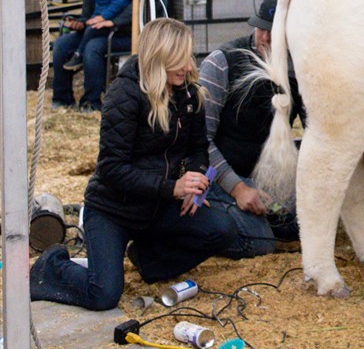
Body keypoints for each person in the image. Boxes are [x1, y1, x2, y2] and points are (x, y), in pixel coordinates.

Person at [31, 18, 237, 311]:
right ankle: (50, 266)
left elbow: (198, 149)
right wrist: (172, 188)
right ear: (159, 57)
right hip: (113, 210)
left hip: (157, 208)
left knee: (222, 229)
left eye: (188, 57)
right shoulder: (124, 94)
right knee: (103, 294)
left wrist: (196, 179)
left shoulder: (189, 94)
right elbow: (112, 169)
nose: (189, 67)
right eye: (179, 60)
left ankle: (149, 260)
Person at [200, 0, 364, 253]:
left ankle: (261, 216)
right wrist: (237, 188)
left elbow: (318, 128)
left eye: (276, 33)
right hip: (227, 173)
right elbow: (200, 140)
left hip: (272, 175)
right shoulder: (222, 62)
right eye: (262, 28)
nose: (266, 37)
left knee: (299, 223)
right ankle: (220, 213)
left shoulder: (302, 68)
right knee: (258, 243)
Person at [52, 0, 133, 112]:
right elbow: (89, 13)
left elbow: (133, 5)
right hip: (94, 30)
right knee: (61, 45)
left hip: (123, 32)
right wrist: (81, 22)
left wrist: (114, 21)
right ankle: (62, 98)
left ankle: (91, 101)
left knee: (92, 48)